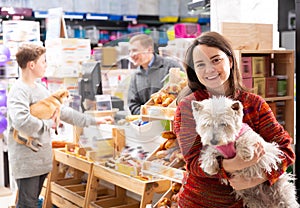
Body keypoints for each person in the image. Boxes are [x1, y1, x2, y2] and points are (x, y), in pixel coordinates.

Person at [173, 31, 295, 207]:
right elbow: (192, 162)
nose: (209, 70)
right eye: (200, 64)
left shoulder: (254, 104)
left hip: (246, 203)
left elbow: (286, 149)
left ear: (230, 61)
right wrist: (232, 164)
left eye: (216, 60)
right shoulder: (188, 107)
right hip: (199, 202)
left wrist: (258, 178)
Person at [7, 44, 114, 208]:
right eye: (43, 62)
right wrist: (50, 123)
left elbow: (62, 111)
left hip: (41, 159)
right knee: (27, 204)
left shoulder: (41, 88)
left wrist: (93, 120)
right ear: (31, 65)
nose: (46, 65)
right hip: (26, 161)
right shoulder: (19, 90)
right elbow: (22, 121)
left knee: (33, 203)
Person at [127, 34, 183, 115]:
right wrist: (147, 116)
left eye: (135, 50)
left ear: (149, 50)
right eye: (130, 51)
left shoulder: (171, 67)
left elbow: (185, 94)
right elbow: (133, 104)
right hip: (146, 123)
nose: (131, 55)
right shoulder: (135, 76)